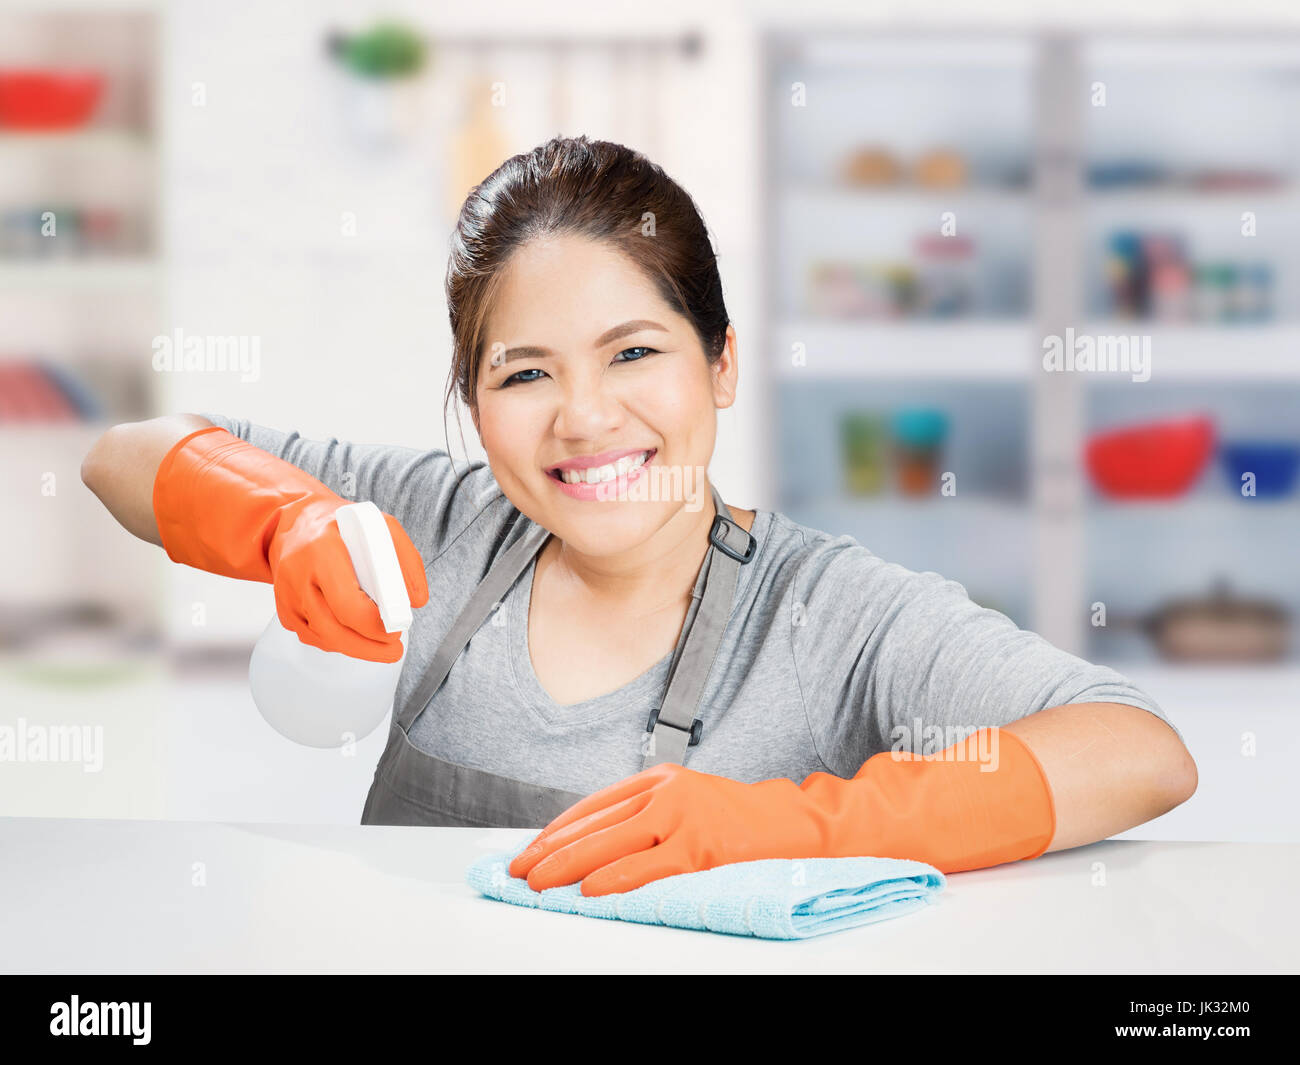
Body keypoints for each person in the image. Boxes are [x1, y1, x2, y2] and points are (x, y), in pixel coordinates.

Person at [83, 135, 1196, 899]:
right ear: (473, 401)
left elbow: (1136, 751)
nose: (583, 418)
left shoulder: (823, 615)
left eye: (633, 353)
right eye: (522, 375)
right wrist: (285, 524)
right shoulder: (442, 522)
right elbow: (121, 455)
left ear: (720, 363)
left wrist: (800, 827)